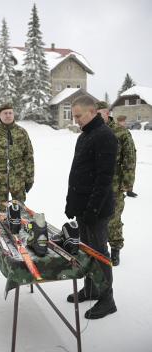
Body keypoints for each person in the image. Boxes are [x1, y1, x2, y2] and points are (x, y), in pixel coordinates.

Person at [65, 95, 118, 319]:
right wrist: (71, 202)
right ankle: (91, 288)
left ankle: (107, 299)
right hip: (83, 208)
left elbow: (104, 179)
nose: (75, 119)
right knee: (87, 252)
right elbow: (78, 173)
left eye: (78, 115)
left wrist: (92, 211)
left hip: (96, 210)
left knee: (99, 254)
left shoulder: (105, 136)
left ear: (92, 111)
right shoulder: (86, 135)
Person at [97, 102, 137, 265]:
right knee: (96, 218)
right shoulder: (94, 131)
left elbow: (130, 159)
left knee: (113, 218)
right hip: (96, 184)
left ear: (108, 113)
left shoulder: (121, 133)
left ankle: (115, 249)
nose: (98, 116)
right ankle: (99, 249)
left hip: (115, 184)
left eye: (101, 113)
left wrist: (127, 183)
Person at [0, 103, 34, 215]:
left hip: (18, 178)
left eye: (10, 113)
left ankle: (19, 228)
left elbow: (28, 156)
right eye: (5, 113)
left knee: (19, 210)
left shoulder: (21, 132)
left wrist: (29, 178)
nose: (8, 115)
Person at [116, 115, 138, 198]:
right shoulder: (117, 131)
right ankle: (124, 190)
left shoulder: (125, 130)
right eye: (123, 121)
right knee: (125, 173)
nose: (125, 122)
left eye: (125, 121)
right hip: (124, 158)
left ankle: (129, 190)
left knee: (130, 173)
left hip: (130, 156)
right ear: (119, 121)